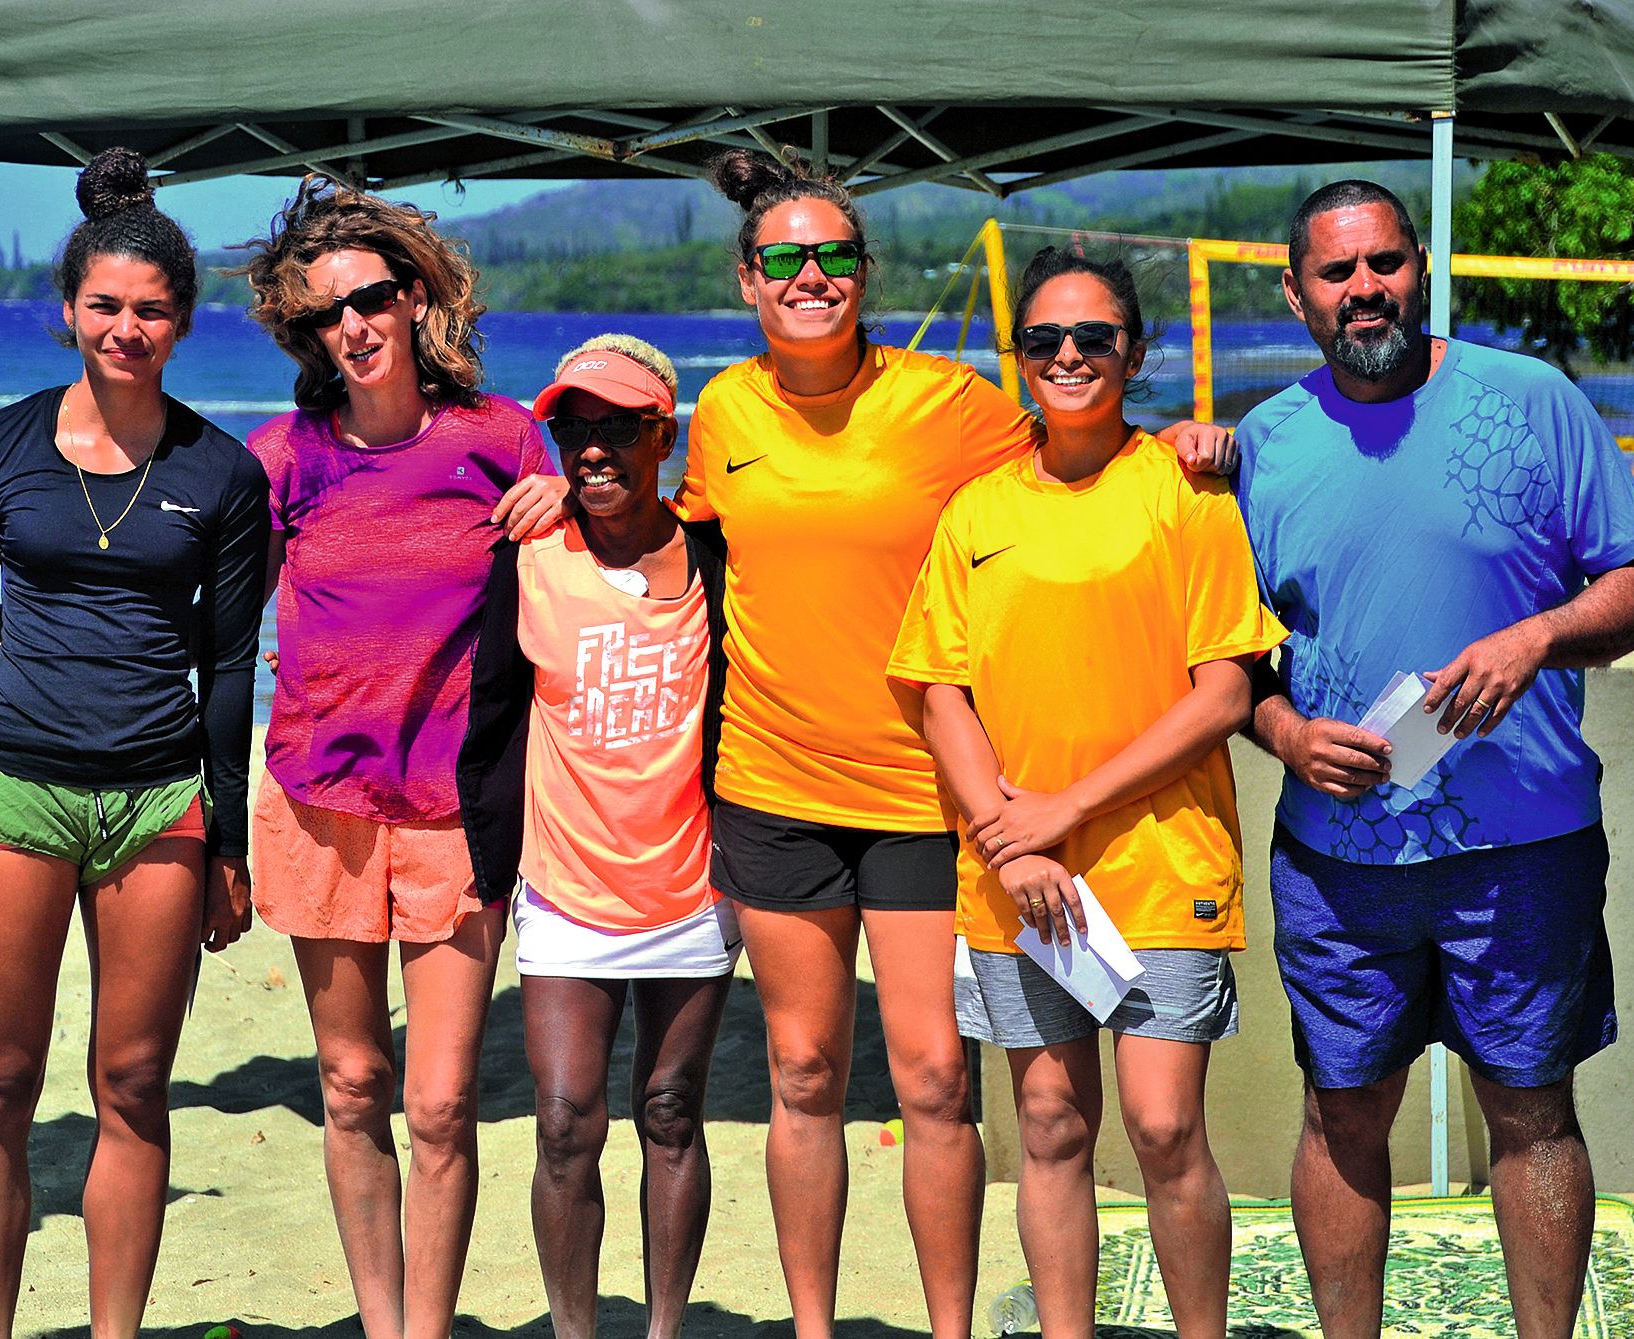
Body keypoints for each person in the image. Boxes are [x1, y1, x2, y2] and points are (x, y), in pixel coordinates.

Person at [674, 148, 1237, 1339]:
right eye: (784, 257)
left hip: (926, 798)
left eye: (832, 253)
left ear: (864, 272)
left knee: (934, 1078)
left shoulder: (951, 404)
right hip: (772, 781)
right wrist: (539, 500)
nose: (810, 273)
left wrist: (1199, 437)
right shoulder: (720, 412)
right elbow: (666, 540)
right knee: (803, 1075)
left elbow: (1079, 439)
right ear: (746, 280)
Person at [1235, 179, 1634, 1339]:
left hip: (1520, 844)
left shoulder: (1527, 400)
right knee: (1341, 1115)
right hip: (1336, 857)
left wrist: (1534, 636)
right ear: (1293, 293)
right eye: (1334, 273)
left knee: (1531, 1112)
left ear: (1418, 266)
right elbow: (1222, 657)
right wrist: (1282, 730)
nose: (1362, 288)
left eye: (1382, 262)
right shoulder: (1266, 443)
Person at [890, 247, 1287, 1339]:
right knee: (1051, 1123)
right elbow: (935, 688)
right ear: (1019, 356)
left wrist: (1061, 813)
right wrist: (1010, 843)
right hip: (1016, 877)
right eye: (1044, 340)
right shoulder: (974, 510)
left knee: (1162, 1128)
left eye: (1093, 337)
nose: (1067, 355)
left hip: (1160, 863)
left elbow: (1221, 692)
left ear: (1133, 352)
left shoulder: (1184, 492)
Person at [0, 147, 270, 1338]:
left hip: (157, 800)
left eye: (150, 310)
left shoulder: (223, 474)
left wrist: (228, 836)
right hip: (16, 789)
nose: (125, 328)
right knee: (0, 1083)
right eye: (105, 306)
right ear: (67, 312)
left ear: (181, 323)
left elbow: (228, 664)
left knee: (132, 1082)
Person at [235, 175, 566, 1339]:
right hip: (320, 800)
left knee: (437, 1101)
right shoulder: (280, 456)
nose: (353, 330)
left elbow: (606, 558)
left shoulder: (503, 439)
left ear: (414, 296)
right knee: (351, 1086)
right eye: (326, 315)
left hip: (453, 809)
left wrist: (566, 495)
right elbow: (200, 615)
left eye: (369, 300)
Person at [459, 336, 735, 1339]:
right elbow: (483, 710)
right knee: (567, 1121)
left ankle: (662, 1329)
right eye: (572, 428)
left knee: (669, 1110)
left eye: (616, 425)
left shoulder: (715, 554)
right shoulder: (528, 551)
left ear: (664, 433)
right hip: (566, 886)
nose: (592, 449)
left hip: (692, 886)